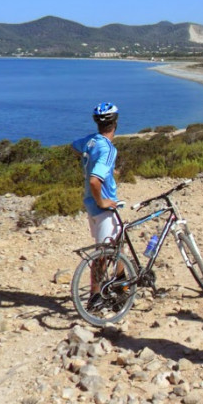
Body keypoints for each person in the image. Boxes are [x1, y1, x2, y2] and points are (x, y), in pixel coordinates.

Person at [71, 102, 121, 301]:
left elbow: (74, 146)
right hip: (101, 209)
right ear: (115, 122)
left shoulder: (91, 141)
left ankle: (121, 283)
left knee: (118, 245)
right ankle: (95, 295)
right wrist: (102, 202)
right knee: (103, 253)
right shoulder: (108, 150)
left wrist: (88, 161)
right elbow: (94, 180)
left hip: (89, 204)